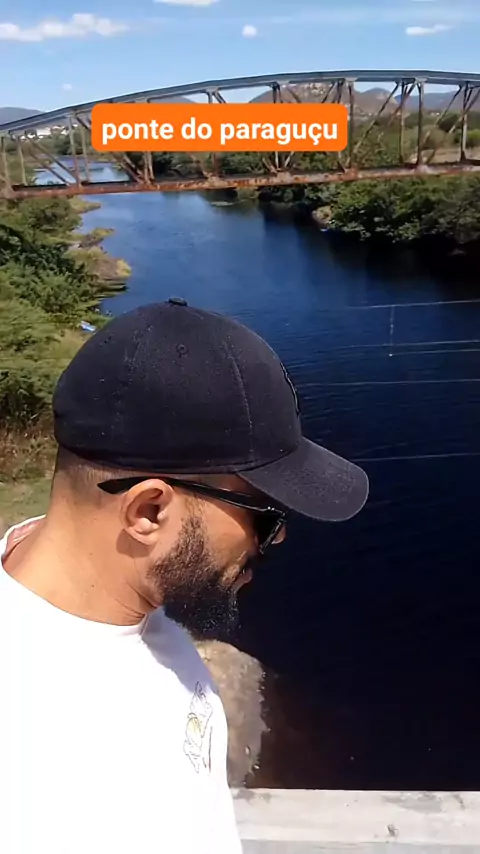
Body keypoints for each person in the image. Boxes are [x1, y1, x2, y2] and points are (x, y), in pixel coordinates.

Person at [0, 298, 369, 854]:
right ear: (148, 511)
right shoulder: (35, 762)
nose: (277, 538)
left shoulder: (113, 606)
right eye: (265, 514)